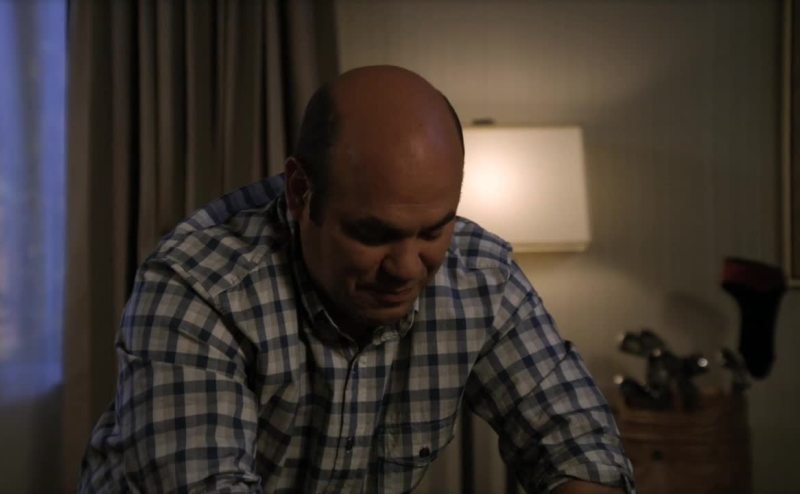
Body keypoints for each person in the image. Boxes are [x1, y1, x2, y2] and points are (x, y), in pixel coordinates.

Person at [80, 65, 634, 493]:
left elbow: (580, 447)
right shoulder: (198, 288)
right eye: (373, 234)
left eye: (434, 230)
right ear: (301, 193)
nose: (407, 268)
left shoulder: (480, 276)